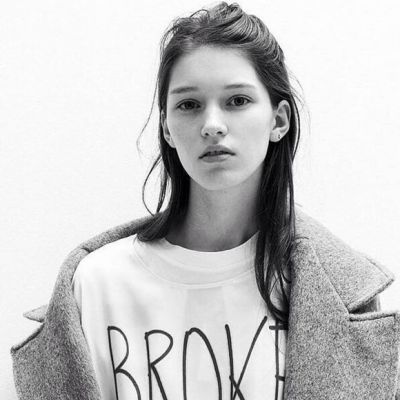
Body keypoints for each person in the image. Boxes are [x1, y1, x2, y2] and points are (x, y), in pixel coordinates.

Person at [10, 2, 400, 399]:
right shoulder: (99, 283)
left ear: (279, 120)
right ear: (166, 126)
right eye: (189, 105)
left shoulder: (337, 293)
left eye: (237, 100)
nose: (212, 125)